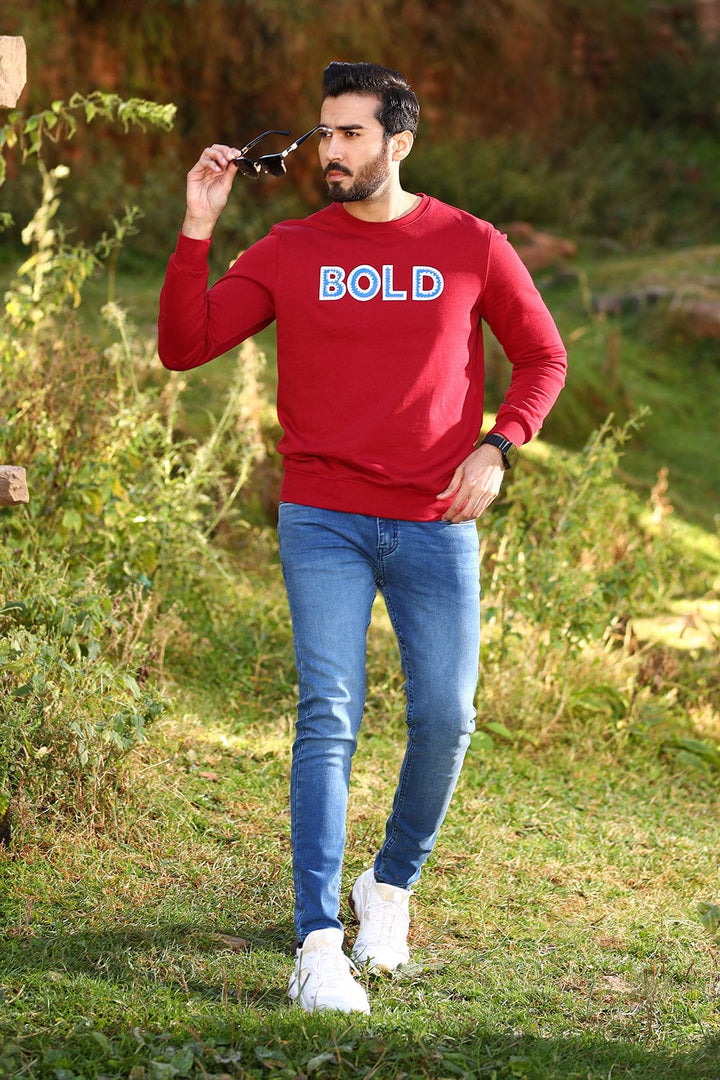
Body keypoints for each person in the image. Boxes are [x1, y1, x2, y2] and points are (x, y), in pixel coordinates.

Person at [158, 60, 567, 1015]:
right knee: (329, 712)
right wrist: (198, 224)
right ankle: (316, 941)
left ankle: (388, 886)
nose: (329, 151)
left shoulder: (468, 244)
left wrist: (498, 448)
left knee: (447, 718)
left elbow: (542, 355)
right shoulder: (292, 247)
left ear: (398, 143)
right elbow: (186, 344)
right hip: (323, 516)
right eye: (324, 132)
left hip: (434, 520)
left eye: (350, 134)